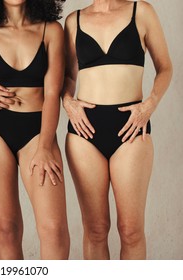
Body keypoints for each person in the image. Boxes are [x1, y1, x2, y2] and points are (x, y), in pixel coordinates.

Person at [63, 0, 172, 259]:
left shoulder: (141, 11)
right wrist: (68, 102)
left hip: (132, 127)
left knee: (131, 230)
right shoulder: (73, 20)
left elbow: (165, 67)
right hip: (84, 131)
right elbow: (67, 76)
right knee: (96, 230)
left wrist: (149, 105)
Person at [0, 0, 69, 259]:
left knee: (54, 230)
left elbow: (53, 92)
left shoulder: (51, 30)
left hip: (38, 131)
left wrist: (46, 145)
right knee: (6, 228)